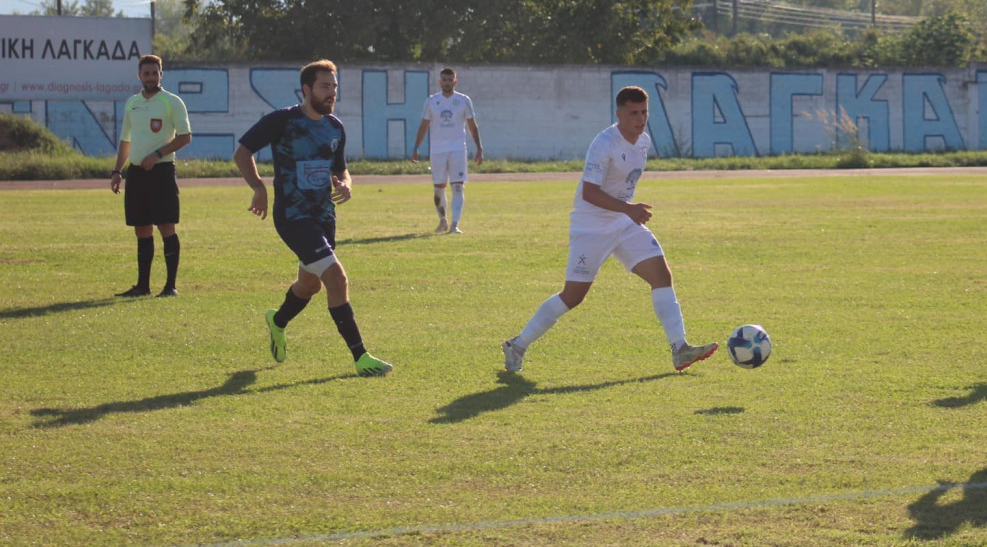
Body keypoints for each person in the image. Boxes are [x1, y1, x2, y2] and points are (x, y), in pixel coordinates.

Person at [501, 86, 718, 373]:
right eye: (633, 113)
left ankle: (679, 348)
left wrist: (626, 211)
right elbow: (589, 193)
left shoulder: (643, 141)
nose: (640, 119)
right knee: (573, 296)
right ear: (619, 114)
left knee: (662, 275)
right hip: (591, 227)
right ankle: (517, 344)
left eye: (644, 112)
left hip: (621, 221)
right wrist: (628, 208)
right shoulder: (604, 144)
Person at [233, 59, 392, 377]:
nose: (332, 92)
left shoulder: (335, 127)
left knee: (309, 286)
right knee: (337, 278)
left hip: (324, 216)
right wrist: (258, 188)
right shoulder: (283, 121)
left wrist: (346, 183)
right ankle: (361, 357)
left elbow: (340, 168)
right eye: (325, 86)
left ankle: (277, 322)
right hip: (293, 216)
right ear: (306, 89)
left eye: (334, 86)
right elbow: (242, 152)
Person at [112, 54, 192, 298]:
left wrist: (157, 154)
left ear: (161, 74)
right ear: (139, 76)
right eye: (146, 73)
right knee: (141, 228)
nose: (150, 77)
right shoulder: (132, 103)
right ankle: (142, 286)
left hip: (162, 172)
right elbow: (125, 139)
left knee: (166, 226)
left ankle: (170, 286)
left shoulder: (171, 102)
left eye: (154, 73)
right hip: (136, 174)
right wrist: (117, 171)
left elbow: (185, 136)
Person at [410, 67, 483, 234]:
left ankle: (455, 225)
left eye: (450, 80)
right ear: (440, 82)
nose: (447, 83)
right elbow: (423, 126)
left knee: (458, 187)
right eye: (444, 80)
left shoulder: (463, 101)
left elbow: (472, 126)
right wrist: (416, 147)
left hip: (458, 149)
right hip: (437, 150)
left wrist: (479, 147)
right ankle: (443, 221)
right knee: (439, 188)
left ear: (455, 82)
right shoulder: (431, 101)